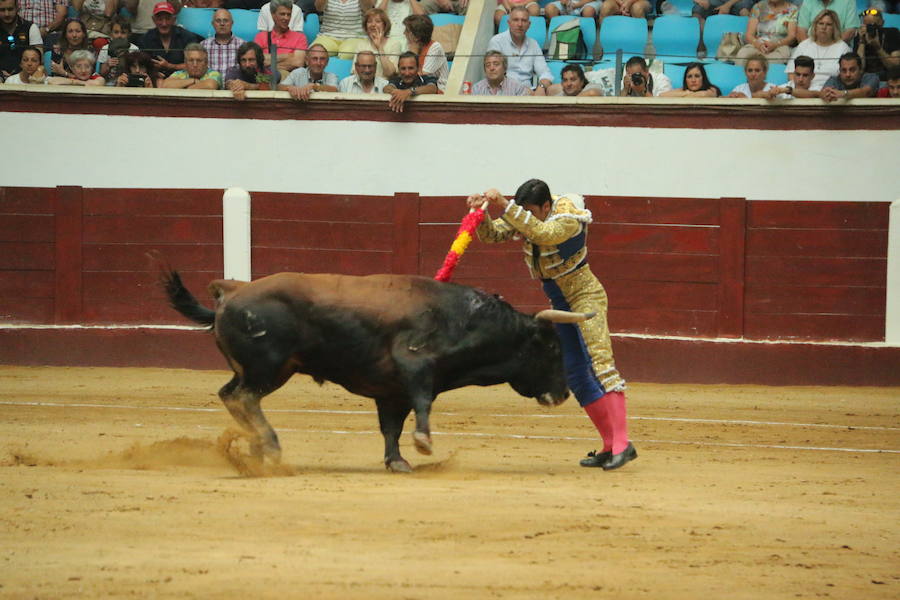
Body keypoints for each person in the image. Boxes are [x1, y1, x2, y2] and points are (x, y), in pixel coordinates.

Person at [467, 180, 637, 471]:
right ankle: (609, 444)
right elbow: (493, 236)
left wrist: (505, 206)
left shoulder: (568, 215)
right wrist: (480, 213)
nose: (528, 217)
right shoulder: (528, 214)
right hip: (560, 300)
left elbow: (544, 234)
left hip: (585, 296)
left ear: (546, 206)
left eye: (533, 211)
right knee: (575, 371)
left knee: (601, 364)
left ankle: (623, 445)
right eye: (525, 212)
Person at [487, 6, 551, 95]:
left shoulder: (533, 44)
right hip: (503, 90)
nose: (520, 24)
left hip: (529, 90)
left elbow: (545, 73)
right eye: (516, 20)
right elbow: (493, 74)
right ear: (509, 23)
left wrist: (542, 87)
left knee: (556, 90)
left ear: (529, 25)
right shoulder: (497, 41)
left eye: (524, 20)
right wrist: (521, 90)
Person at [786, 9, 851, 90]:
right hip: (802, 91)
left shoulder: (843, 48)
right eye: (821, 23)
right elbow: (791, 74)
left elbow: (847, 77)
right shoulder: (804, 45)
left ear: (834, 28)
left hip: (830, 91)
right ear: (815, 26)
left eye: (828, 24)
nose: (824, 27)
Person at [138, 1, 202, 78]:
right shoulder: (146, 39)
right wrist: (154, 73)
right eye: (160, 19)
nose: (164, 23)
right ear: (154, 20)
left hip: (184, 78)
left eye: (168, 19)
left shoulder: (187, 36)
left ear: (174, 19)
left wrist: (170, 66)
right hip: (155, 79)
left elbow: (195, 65)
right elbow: (142, 65)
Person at [733, 0, 797, 67]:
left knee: (772, 62)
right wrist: (758, 44)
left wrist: (776, 44)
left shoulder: (793, 9)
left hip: (780, 45)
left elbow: (792, 36)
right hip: (758, 43)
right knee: (742, 56)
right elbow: (749, 35)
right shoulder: (758, 7)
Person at [253, 0, 307, 75]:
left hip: (289, 77)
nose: (286, 18)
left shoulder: (300, 37)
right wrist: (287, 56)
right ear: (273, 15)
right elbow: (256, 61)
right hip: (265, 78)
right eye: (282, 14)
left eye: (289, 15)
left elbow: (298, 63)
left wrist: (269, 61)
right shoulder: (261, 37)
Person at [402, 13, 447, 91]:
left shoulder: (435, 47)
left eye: (407, 31)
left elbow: (420, 77)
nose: (404, 33)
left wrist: (413, 52)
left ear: (417, 37)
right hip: (416, 89)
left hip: (437, 91)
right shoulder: (409, 45)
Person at [1, 0, 43, 81]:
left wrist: (19, 76)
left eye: (10, 9)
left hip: (25, 78)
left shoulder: (31, 28)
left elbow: (38, 60)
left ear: (17, 8)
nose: (7, 14)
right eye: (2, 10)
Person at [854, 8, 900, 81]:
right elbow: (859, 69)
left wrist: (878, 48)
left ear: (882, 23)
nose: (870, 29)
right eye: (867, 26)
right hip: (866, 79)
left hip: (887, 79)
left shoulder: (892, 33)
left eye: (873, 25)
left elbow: (894, 67)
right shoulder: (859, 37)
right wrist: (862, 42)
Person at [355, 7, 401, 79]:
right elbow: (355, 72)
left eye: (378, 21)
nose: (373, 24)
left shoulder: (394, 44)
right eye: (369, 21)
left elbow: (391, 74)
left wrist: (380, 47)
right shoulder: (361, 44)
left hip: (385, 86)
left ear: (385, 25)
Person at [201, 8, 245, 75]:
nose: (222, 24)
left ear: (232, 23)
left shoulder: (242, 45)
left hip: (235, 84)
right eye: (218, 21)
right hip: (210, 84)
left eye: (226, 20)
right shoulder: (203, 45)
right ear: (213, 24)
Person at [97, 16, 137, 81]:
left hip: (128, 82)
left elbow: (137, 71)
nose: (119, 35)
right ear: (111, 33)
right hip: (109, 83)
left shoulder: (134, 49)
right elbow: (100, 73)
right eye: (116, 32)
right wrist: (107, 65)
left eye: (123, 32)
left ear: (129, 34)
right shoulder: (105, 48)